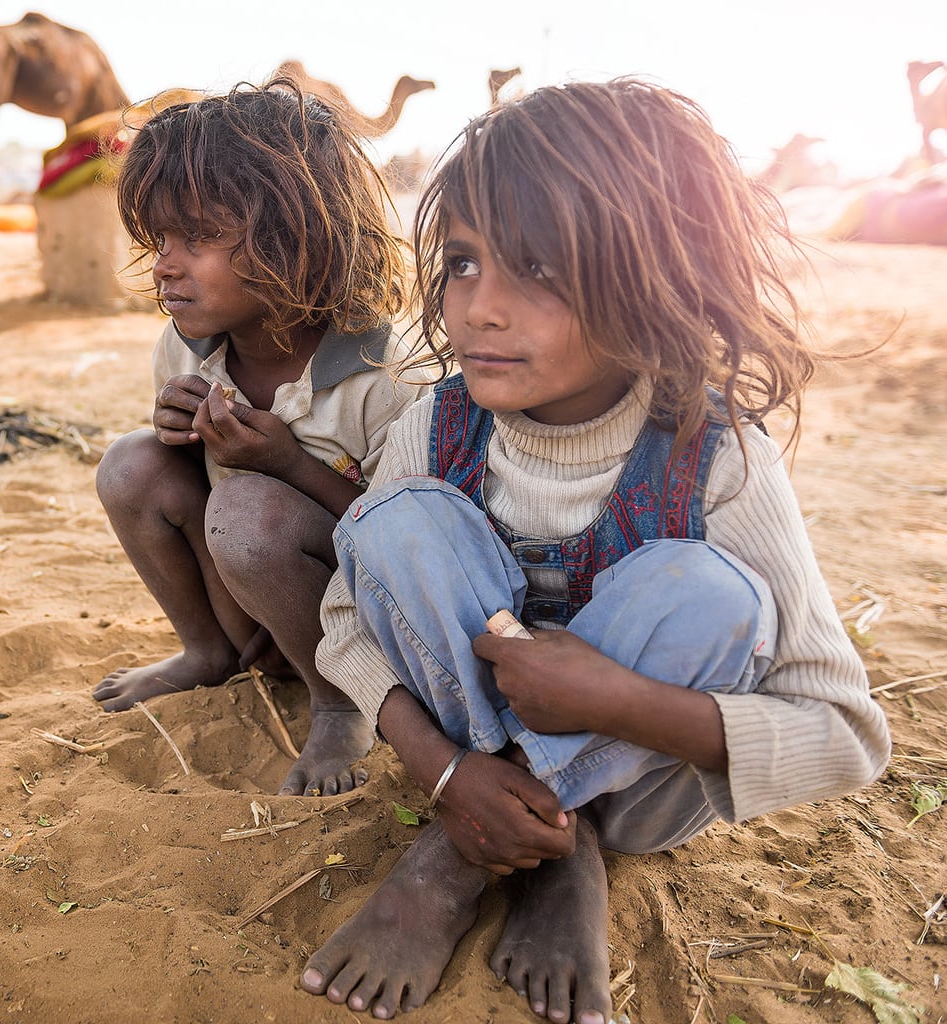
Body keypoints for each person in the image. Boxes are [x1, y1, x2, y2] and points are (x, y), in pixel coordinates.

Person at [298, 78, 892, 1022]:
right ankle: (535, 842)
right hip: (469, 757)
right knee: (399, 522)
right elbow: (344, 623)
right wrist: (448, 773)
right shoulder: (437, 426)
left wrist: (620, 701)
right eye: (460, 262)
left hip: (637, 800)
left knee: (705, 591)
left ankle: (485, 855)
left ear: (653, 276)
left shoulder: (718, 457)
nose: (480, 308)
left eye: (536, 268)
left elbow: (848, 734)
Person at [94, 81, 426, 796]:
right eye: (159, 239)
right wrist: (180, 437)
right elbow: (188, 490)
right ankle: (208, 650)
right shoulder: (184, 349)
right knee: (131, 464)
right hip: (249, 601)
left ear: (294, 235)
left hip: (358, 617)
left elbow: (410, 550)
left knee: (249, 510)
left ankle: (338, 699)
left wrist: (283, 463)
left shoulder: (385, 377)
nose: (165, 264)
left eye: (200, 237)